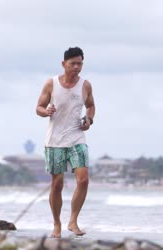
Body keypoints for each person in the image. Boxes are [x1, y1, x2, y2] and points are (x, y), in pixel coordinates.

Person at [36, 47, 96, 238]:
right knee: (57, 184)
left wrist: (89, 119)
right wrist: (46, 112)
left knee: (84, 179)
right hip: (55, 141)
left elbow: (91, 106)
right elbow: (38, 107)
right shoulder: (51, 83)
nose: (76, 67)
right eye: (73, 64)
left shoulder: (85, 85)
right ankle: (56, 225)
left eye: (80, 63)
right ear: (64, 64)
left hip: (77, 138)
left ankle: (73, 221)